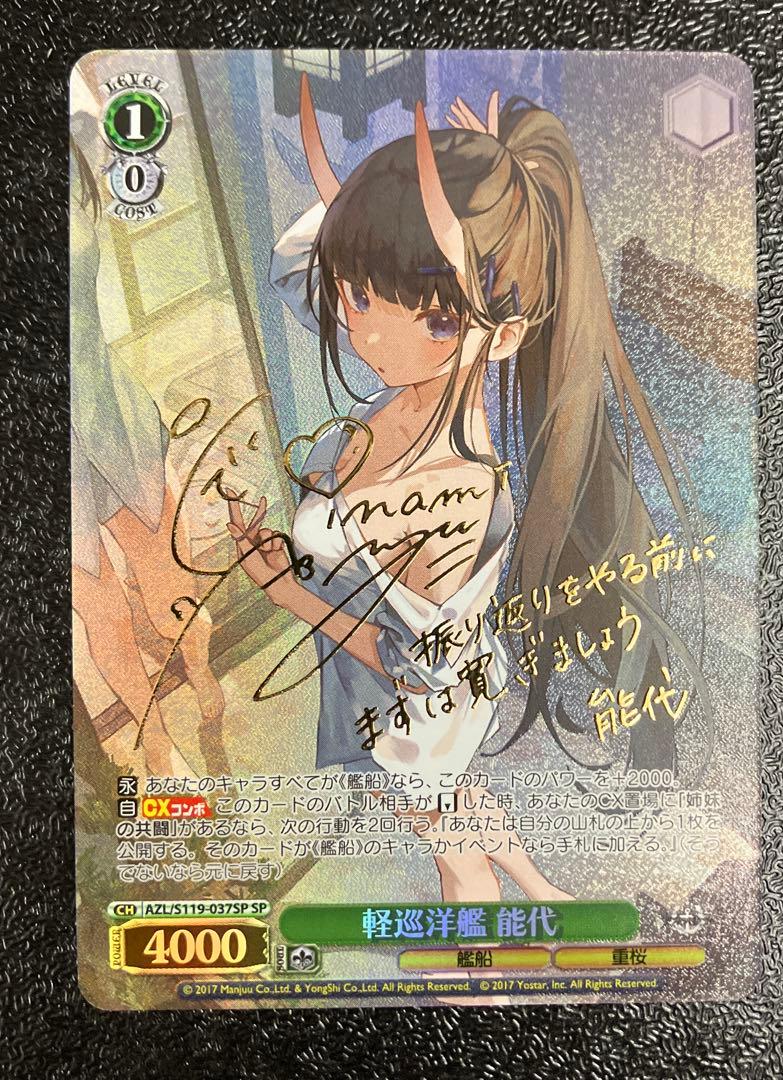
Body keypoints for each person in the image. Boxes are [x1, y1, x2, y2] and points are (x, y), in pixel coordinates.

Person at [228, 80, 702, 902]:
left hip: (419, 713)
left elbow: (411, 668)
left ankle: (480, 962)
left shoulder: (452, 489)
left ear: (506, 333)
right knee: (459, 800)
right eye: (362, 293)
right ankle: (542, 890)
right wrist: (455, 197)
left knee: (450, 849)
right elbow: (301, 266)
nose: (368, 330)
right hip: (440, 684)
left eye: (436, 318)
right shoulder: (410, 385)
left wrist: (285, 588)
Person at [70, 117, 226, 777]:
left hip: (106, 409)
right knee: (102, 610)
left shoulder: (78, 148)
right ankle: (156, 741)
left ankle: (204, 682)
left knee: (168, 589)